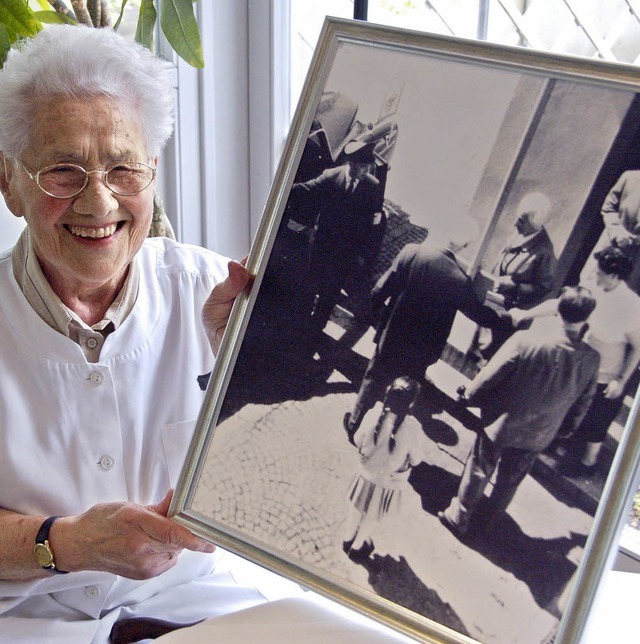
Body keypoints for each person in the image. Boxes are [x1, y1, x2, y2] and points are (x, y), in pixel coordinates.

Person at [0, 25, 259, 642]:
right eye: (63, 171)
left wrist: (253, 377)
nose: (99, 201)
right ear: (8, 180)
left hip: (198, 605)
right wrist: (63, 543)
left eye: (123, 168)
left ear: (153, 173)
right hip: (25, 619)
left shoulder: (217, 294)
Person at [438, 286, 600, 538]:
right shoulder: (591, 359)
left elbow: (489, 377)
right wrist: (563, 430)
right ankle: (488, 522)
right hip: (540, 433)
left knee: (479, 469)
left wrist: (468, 397)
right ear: (586, 319)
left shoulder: (526, 340)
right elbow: (583, 404)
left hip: (501, 423)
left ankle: (459, 515)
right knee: (510, 480)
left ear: (557, 311)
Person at [343, 220, 504, 439]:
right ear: (464, 246)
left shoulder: (412, 253)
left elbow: (380, 289)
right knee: (405, 391)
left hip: (392, 336)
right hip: (422, 350)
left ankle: (355, 423)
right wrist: (504, 318)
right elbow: (478, 314)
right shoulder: (460, 280)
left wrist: (374, 312)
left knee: (374, 378)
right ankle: (385, 436)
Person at [516, 246, 640, 473]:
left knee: (596, 424)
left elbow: (638, 348)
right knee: (566, 409)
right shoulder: (593, 289)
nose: (595, 275)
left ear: (613, 276)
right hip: (580, 365)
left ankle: (587, 465)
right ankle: (550, 447)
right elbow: (559, 305)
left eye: (600, 272)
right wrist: (525, 314)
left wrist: (621, 381)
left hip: (606, 375)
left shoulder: (632, 306)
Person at [290, 140, 384, 342]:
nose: (365, 171)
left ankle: (315, 331)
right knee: (309, 287)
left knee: (329, 296)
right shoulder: (331, 176)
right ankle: (300, 329)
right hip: (321, 248)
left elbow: (371, 227)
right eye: (362, 167)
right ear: (351, 164)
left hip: (345, 257)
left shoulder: (372, 187)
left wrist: (363, 256)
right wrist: (282, 189)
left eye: (369, 167)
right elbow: (307, 189)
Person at [343, 377, 428, 563]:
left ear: (388, 393)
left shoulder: (374, 413)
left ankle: (347, 538)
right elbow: (417, 459)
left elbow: (357, 439)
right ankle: (358, 547)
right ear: (412, 403)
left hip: (366, 474)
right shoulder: (413, 427)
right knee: (373, 515)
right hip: (389, 483)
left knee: (356, 507)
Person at [475, 191, 557, 361]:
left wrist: (516, 286)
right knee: (475, 349)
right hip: (492, 303)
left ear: (534, 224)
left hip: (509, 314)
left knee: (488, 356)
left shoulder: (544, 253)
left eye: (520, 220)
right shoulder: (518, 234)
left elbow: (545, 287)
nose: (514, 223)